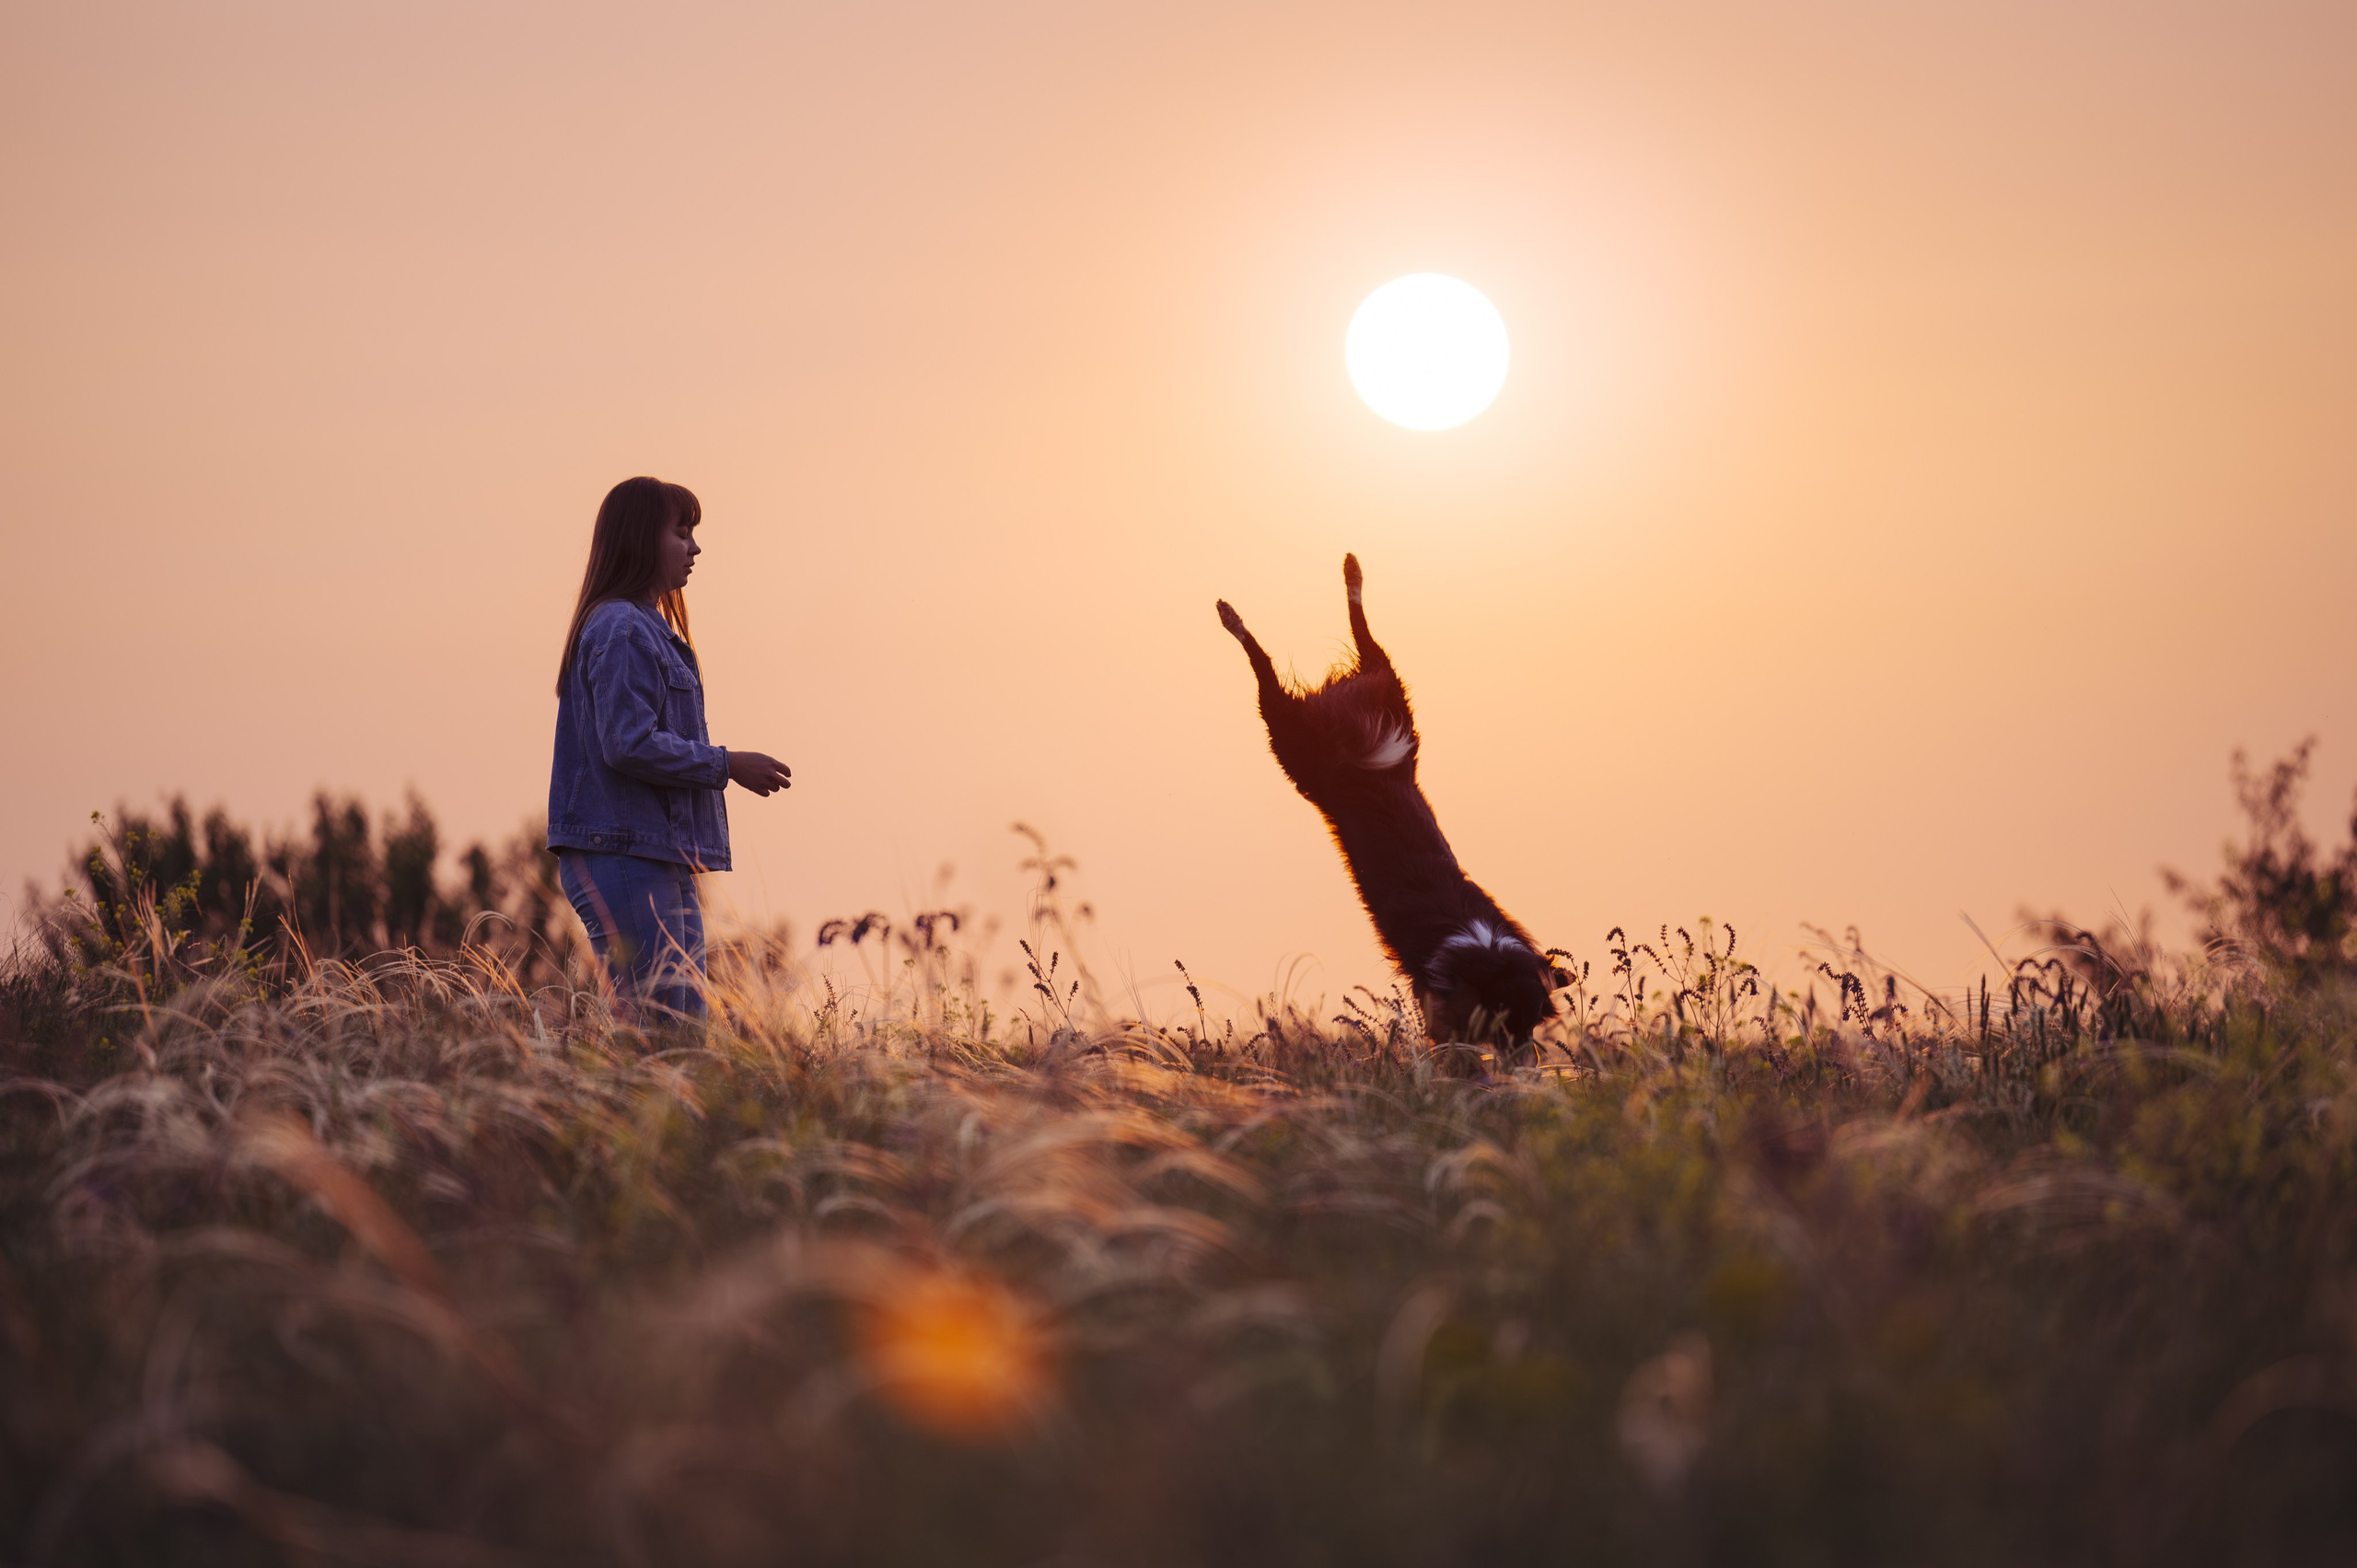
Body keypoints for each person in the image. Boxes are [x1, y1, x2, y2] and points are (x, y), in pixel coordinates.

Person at [548, 477, 792, 1018]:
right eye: (681, 533)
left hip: (653, 853)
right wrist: (726, 764)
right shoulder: (624, 630)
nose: (694, 547)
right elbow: (627, 743)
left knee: (680, 1036)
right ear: (640, 539)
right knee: (658, 1035)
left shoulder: (645, 628)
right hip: (623, 853)